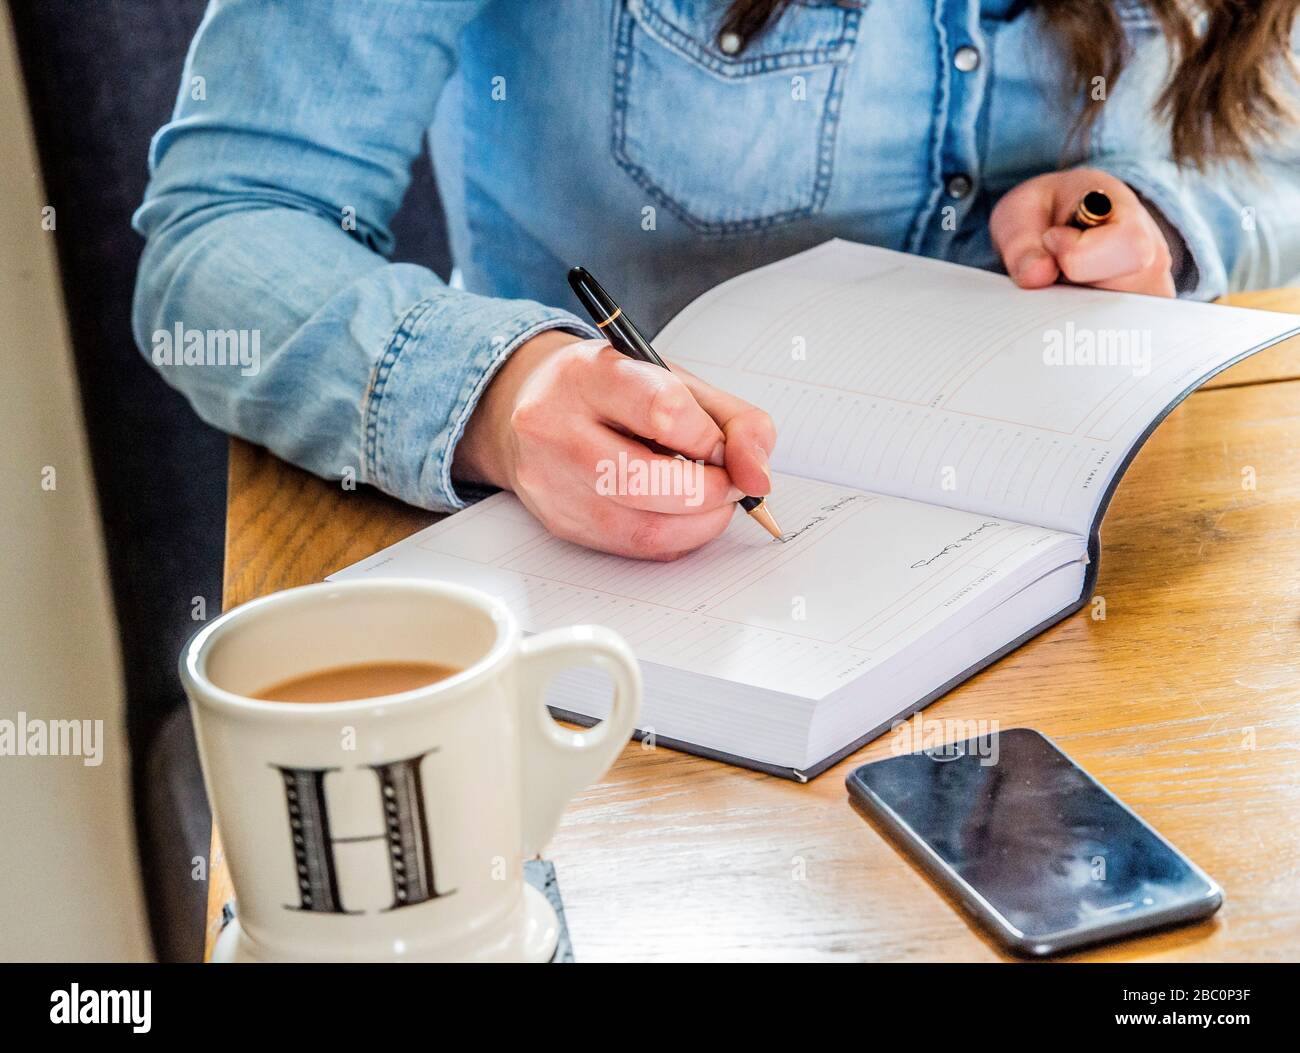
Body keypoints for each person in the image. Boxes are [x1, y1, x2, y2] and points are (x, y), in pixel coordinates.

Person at [133, 0, 1300, 560]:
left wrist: (1167, 222)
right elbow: (223, 232)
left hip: (1131, 560)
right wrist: (495, 397)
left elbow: (1277, 167)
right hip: (635, 613)